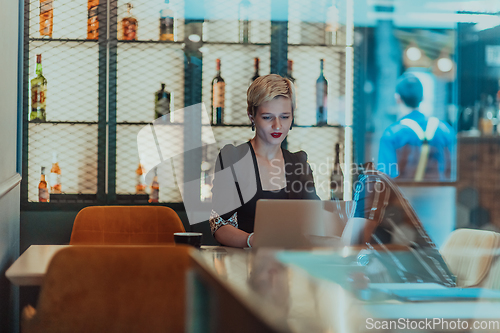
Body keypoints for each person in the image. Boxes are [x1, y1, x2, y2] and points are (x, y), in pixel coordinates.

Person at [209, 74, 320, 248]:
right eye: (268, 117)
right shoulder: (233, 159)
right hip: (244, 265)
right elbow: (219, 226)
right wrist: (253, 240)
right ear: (251, 116)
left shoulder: (299, 163)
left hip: (291, 266)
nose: (277, 126)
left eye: (284, 117)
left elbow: (316, 219)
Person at [378, 73, 455, 181]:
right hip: (440, 196)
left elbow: (385, 178)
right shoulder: (445, 130)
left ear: (398, 98)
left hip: (403, 196)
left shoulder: (392, 134)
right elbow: (452, 171)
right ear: (422, 98)